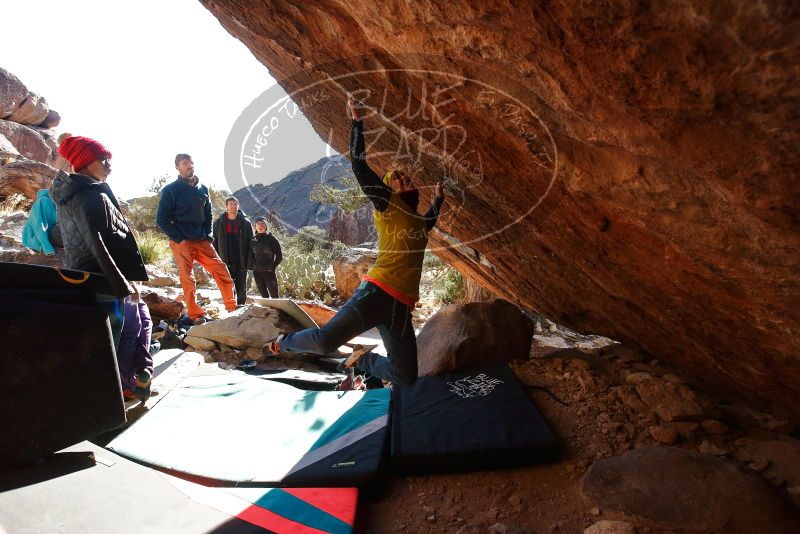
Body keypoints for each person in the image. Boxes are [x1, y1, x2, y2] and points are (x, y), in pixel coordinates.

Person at [263, 98, 445, 387]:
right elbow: (360, 166)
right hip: (376, 293)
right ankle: (283, 342)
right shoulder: (387, 204)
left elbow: (430, 219)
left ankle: (361, 360)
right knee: (325, 342)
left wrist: (439, 198)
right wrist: (357, 121)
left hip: (400, 307)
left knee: (405, 376)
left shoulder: (418, 222)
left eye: (405, 176)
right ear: (389, 187)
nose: (404, 178)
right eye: (396, 177)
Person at [50, 135, 154, 401]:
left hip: (97, 276)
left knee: (137, 323)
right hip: (103, 278)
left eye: (108, 158)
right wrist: (124, 285)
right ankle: (117, 391)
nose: (109, 164)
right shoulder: (88, 195)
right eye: (102, 159)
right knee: (122, 334)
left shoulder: (81, 192)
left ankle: (129, 381)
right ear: (85, 162)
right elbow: (98, 244)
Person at [156, 154, 236, 324]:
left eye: (191, 162)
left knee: (221, 269)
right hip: (182, 240)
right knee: (187, 277)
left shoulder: (203, 189)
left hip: (202, 239)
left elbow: (208, 214)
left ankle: (232, 307)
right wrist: (179, 238)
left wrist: (209, 236)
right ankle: (195, 315)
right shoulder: (171, 190)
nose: (190, 165)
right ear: (177, 167)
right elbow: (161, 219)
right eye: (185, 163)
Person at [212, 196, 253, 306]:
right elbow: (214, 243)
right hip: (225, 261)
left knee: (241, 288)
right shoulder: (218, 223)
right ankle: (231, 308)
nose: (233, 206)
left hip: (241, 261)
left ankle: (241, 308)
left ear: (238, 206)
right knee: (228, 287)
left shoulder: (246, 223)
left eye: (235, 204)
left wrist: (249, 261)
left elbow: (251, 244)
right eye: (231, 204)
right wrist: (216, 261)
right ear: (226, 206)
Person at [249, 216, 282, 298]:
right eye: (258, 224)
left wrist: (272, 267)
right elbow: (251, 256)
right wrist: (253, 266)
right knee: (264, 296)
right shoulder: (253, 240)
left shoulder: (272, 239)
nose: (260, 226)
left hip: (269, 272)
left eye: (262, 223)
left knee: (275, 296)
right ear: (255, 226)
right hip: (257, 272)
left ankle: (277, 307)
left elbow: (279, 256)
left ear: (266, 225)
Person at [22, 187, 61, 254]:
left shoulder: (58, 202)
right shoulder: (43, 201)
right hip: (36, 239)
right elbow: (39, 226)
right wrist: (47, 248)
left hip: (50, 234)